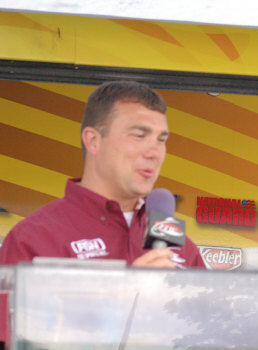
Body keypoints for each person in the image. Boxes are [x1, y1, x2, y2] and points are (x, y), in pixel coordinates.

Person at [0, 80, 205, 268]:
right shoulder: (34, 239)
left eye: (161, 140)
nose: (154, 153)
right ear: (93, 141)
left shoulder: (177, 245)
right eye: (139, 136)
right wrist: (130, 289)